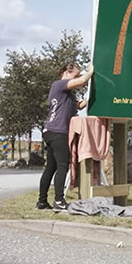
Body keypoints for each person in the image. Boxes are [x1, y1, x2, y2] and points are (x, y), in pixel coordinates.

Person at [37, 62, 94, 210]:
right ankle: (59, 201)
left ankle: (42, 202)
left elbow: (80, 105)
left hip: (51, 131)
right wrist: (90, 72)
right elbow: (82, 81)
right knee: (63, 165)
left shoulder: (68, 96)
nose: (78, 79)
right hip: (58, 132)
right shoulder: (59, 85)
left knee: (50, 168)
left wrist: (90, 94)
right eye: (75, 75)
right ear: (67, 73)